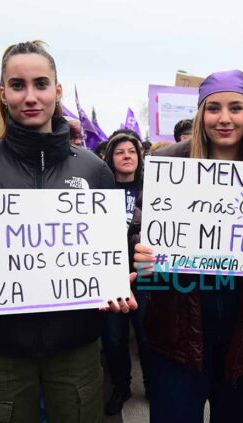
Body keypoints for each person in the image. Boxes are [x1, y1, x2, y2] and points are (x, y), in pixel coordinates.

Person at [0, 40, 136, 423]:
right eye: (18, 85)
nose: (31, 96)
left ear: (57, 91)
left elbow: (110, 253)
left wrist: (118, 283)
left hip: (75, 351)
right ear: (3, 94)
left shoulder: (94, 169)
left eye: (41, 84)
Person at [131, 70, 243, 423]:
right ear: (200, 113)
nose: (224, 119)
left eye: (235, 108)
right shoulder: (170, 163)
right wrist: (141, 251)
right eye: (214, 108)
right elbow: (140, 227)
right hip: (177, 333)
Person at [101, 133, 151, 415]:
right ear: (111, 157)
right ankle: (121, 386)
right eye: (120, 152)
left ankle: (152, 384)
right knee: (114, 338)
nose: (127, 155)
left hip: (144, 274)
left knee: (146, 334)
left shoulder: (154, 188)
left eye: (132, 150)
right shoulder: (99, 190)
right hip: (109, 273)